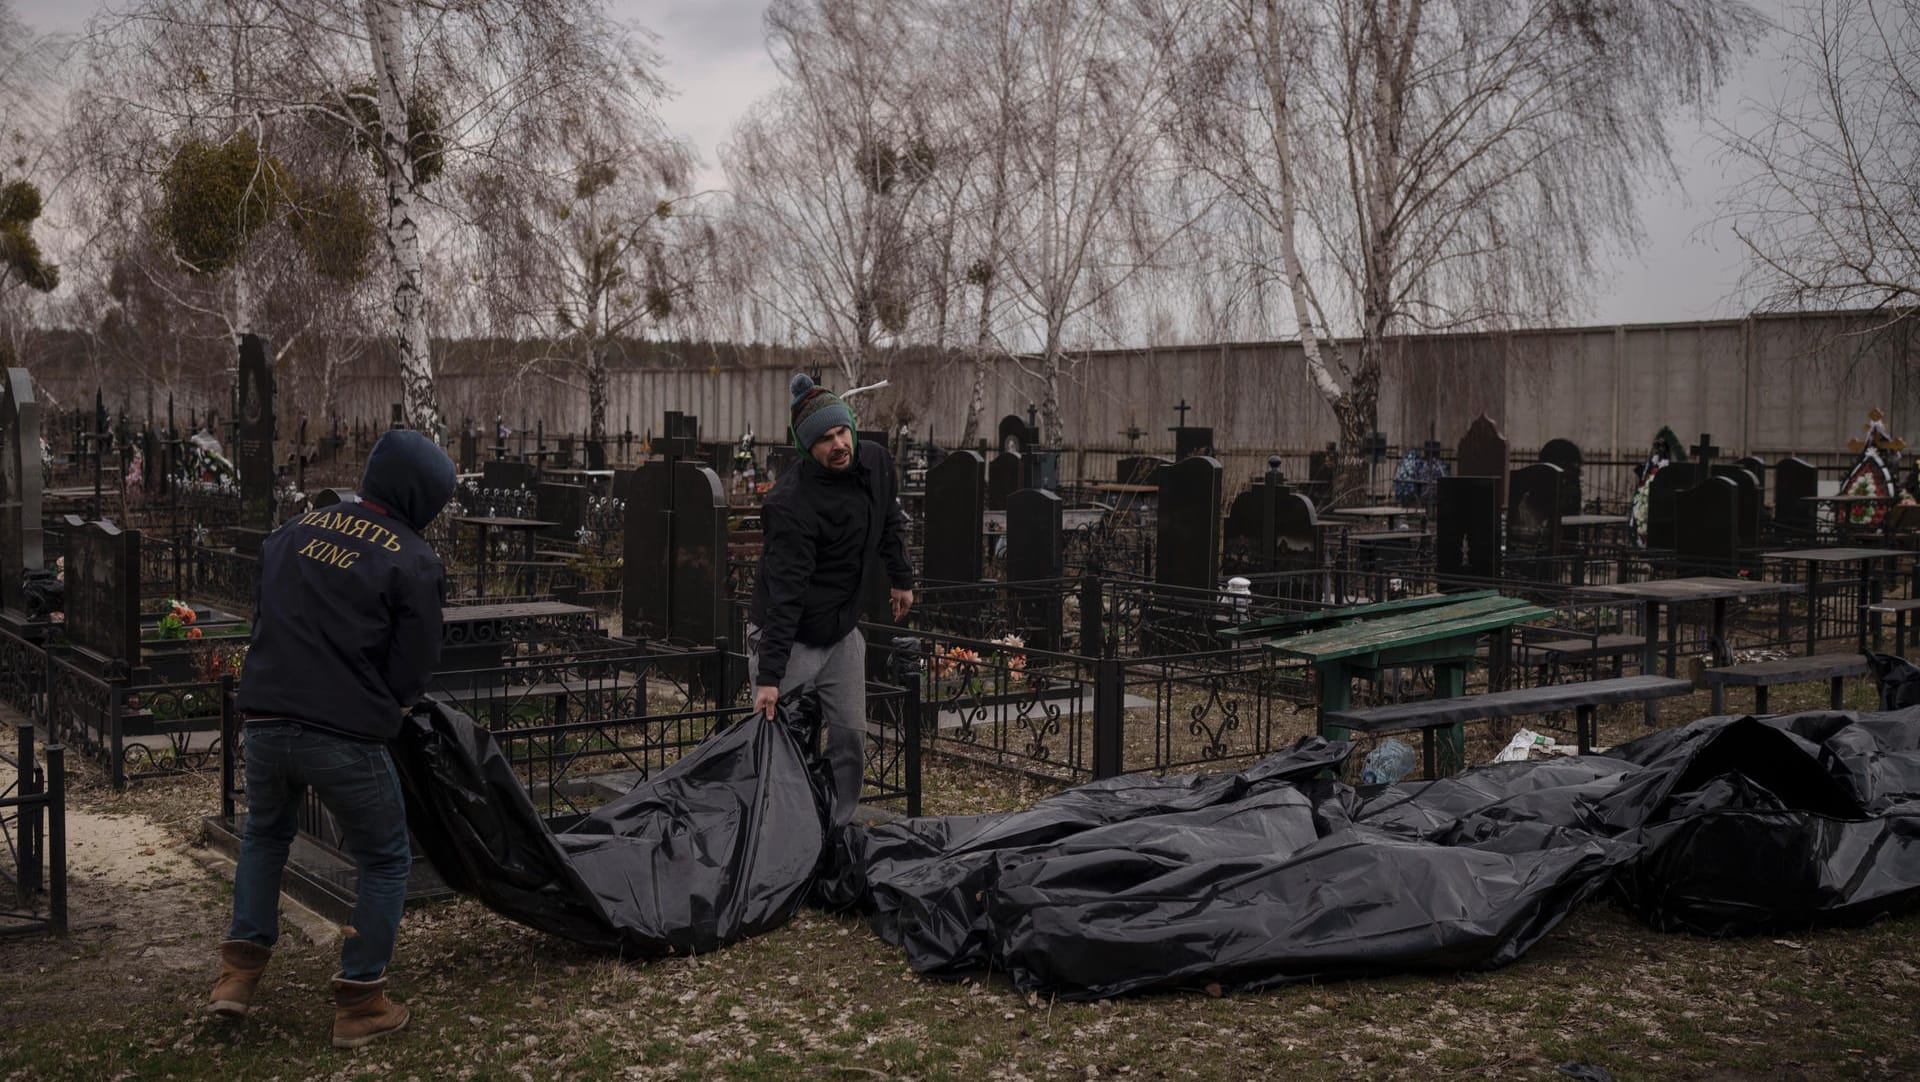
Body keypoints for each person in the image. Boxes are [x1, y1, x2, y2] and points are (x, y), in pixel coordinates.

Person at [209, 428, 455, 1049]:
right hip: (344, 732)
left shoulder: (293, 532)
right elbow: (415, 661)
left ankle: (237, 977)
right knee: (385, 857)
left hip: (265, 719)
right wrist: (391, 706)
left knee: (265, 837)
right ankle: (361, 1001)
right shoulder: (413, 557)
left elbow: (266, 616)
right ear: (421, 496)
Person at [749, 374, 913, 827]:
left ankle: (834, 829)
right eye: (824, 439)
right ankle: (778, 834)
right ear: (806, 448)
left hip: (841, 631)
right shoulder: (789, 503)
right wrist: (769, 676)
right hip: (793, 635)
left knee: (850, 740)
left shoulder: (875, 463)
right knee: (778, 742)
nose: (838, 444)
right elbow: (786, 595)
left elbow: (890, 521)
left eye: (842, 431)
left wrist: (901, 578)